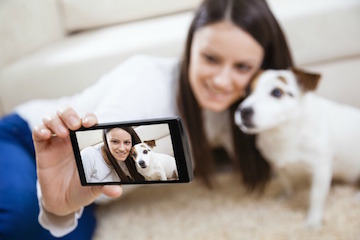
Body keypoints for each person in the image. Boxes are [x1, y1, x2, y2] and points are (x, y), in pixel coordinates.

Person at [0, 0, 294, 238]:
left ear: (262, 70)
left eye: (242, 66)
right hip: (27, 138)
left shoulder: (237, 108)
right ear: (190, 47)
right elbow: (106, 135)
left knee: (66, 232)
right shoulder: (146, 82)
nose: (221, 80)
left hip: (84, 197)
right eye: (211, 58)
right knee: (18, 221)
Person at [81, 127, 145, 183]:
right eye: (115, 142)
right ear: (106, 141)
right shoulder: (88, 155)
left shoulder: (127, 158)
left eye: (127, 142)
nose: (122, 149)